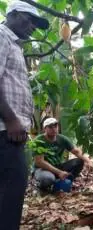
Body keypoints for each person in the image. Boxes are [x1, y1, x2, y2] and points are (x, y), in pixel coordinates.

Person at [0, 1, 49, 229]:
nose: (33, 27)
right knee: (10, 195)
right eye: (30, 20)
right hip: (4, 132)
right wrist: (10, 119)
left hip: (9, 134)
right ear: (15, 14)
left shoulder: (14, 44)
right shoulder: (2, 36)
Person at [33, 118, 91, 192]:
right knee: (48, 179)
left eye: (55, 126)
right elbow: (39, 162)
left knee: (79, 161)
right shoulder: (39, 141)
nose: (54, 129)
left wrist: (88, 161)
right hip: (42, 169)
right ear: (45, 129)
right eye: (50, 127)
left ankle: (65, 182)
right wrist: (59, 172)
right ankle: (41, 187)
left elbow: (76, 151)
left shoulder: (62, 139)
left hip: (58, 166)